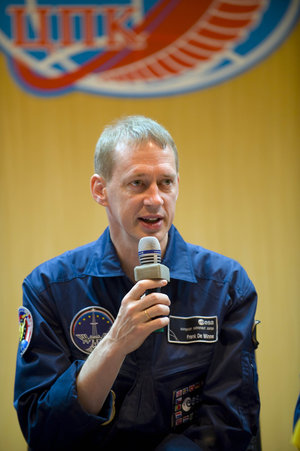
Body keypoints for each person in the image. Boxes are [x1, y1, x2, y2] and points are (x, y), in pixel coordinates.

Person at [14, 115, 260, 450]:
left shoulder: (227, 285)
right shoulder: (48, 288)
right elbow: (42, 430)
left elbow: (231, 424)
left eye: (166, 182)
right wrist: (114, 343)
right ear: (101, 190)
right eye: (138, 183)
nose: (156, 199)